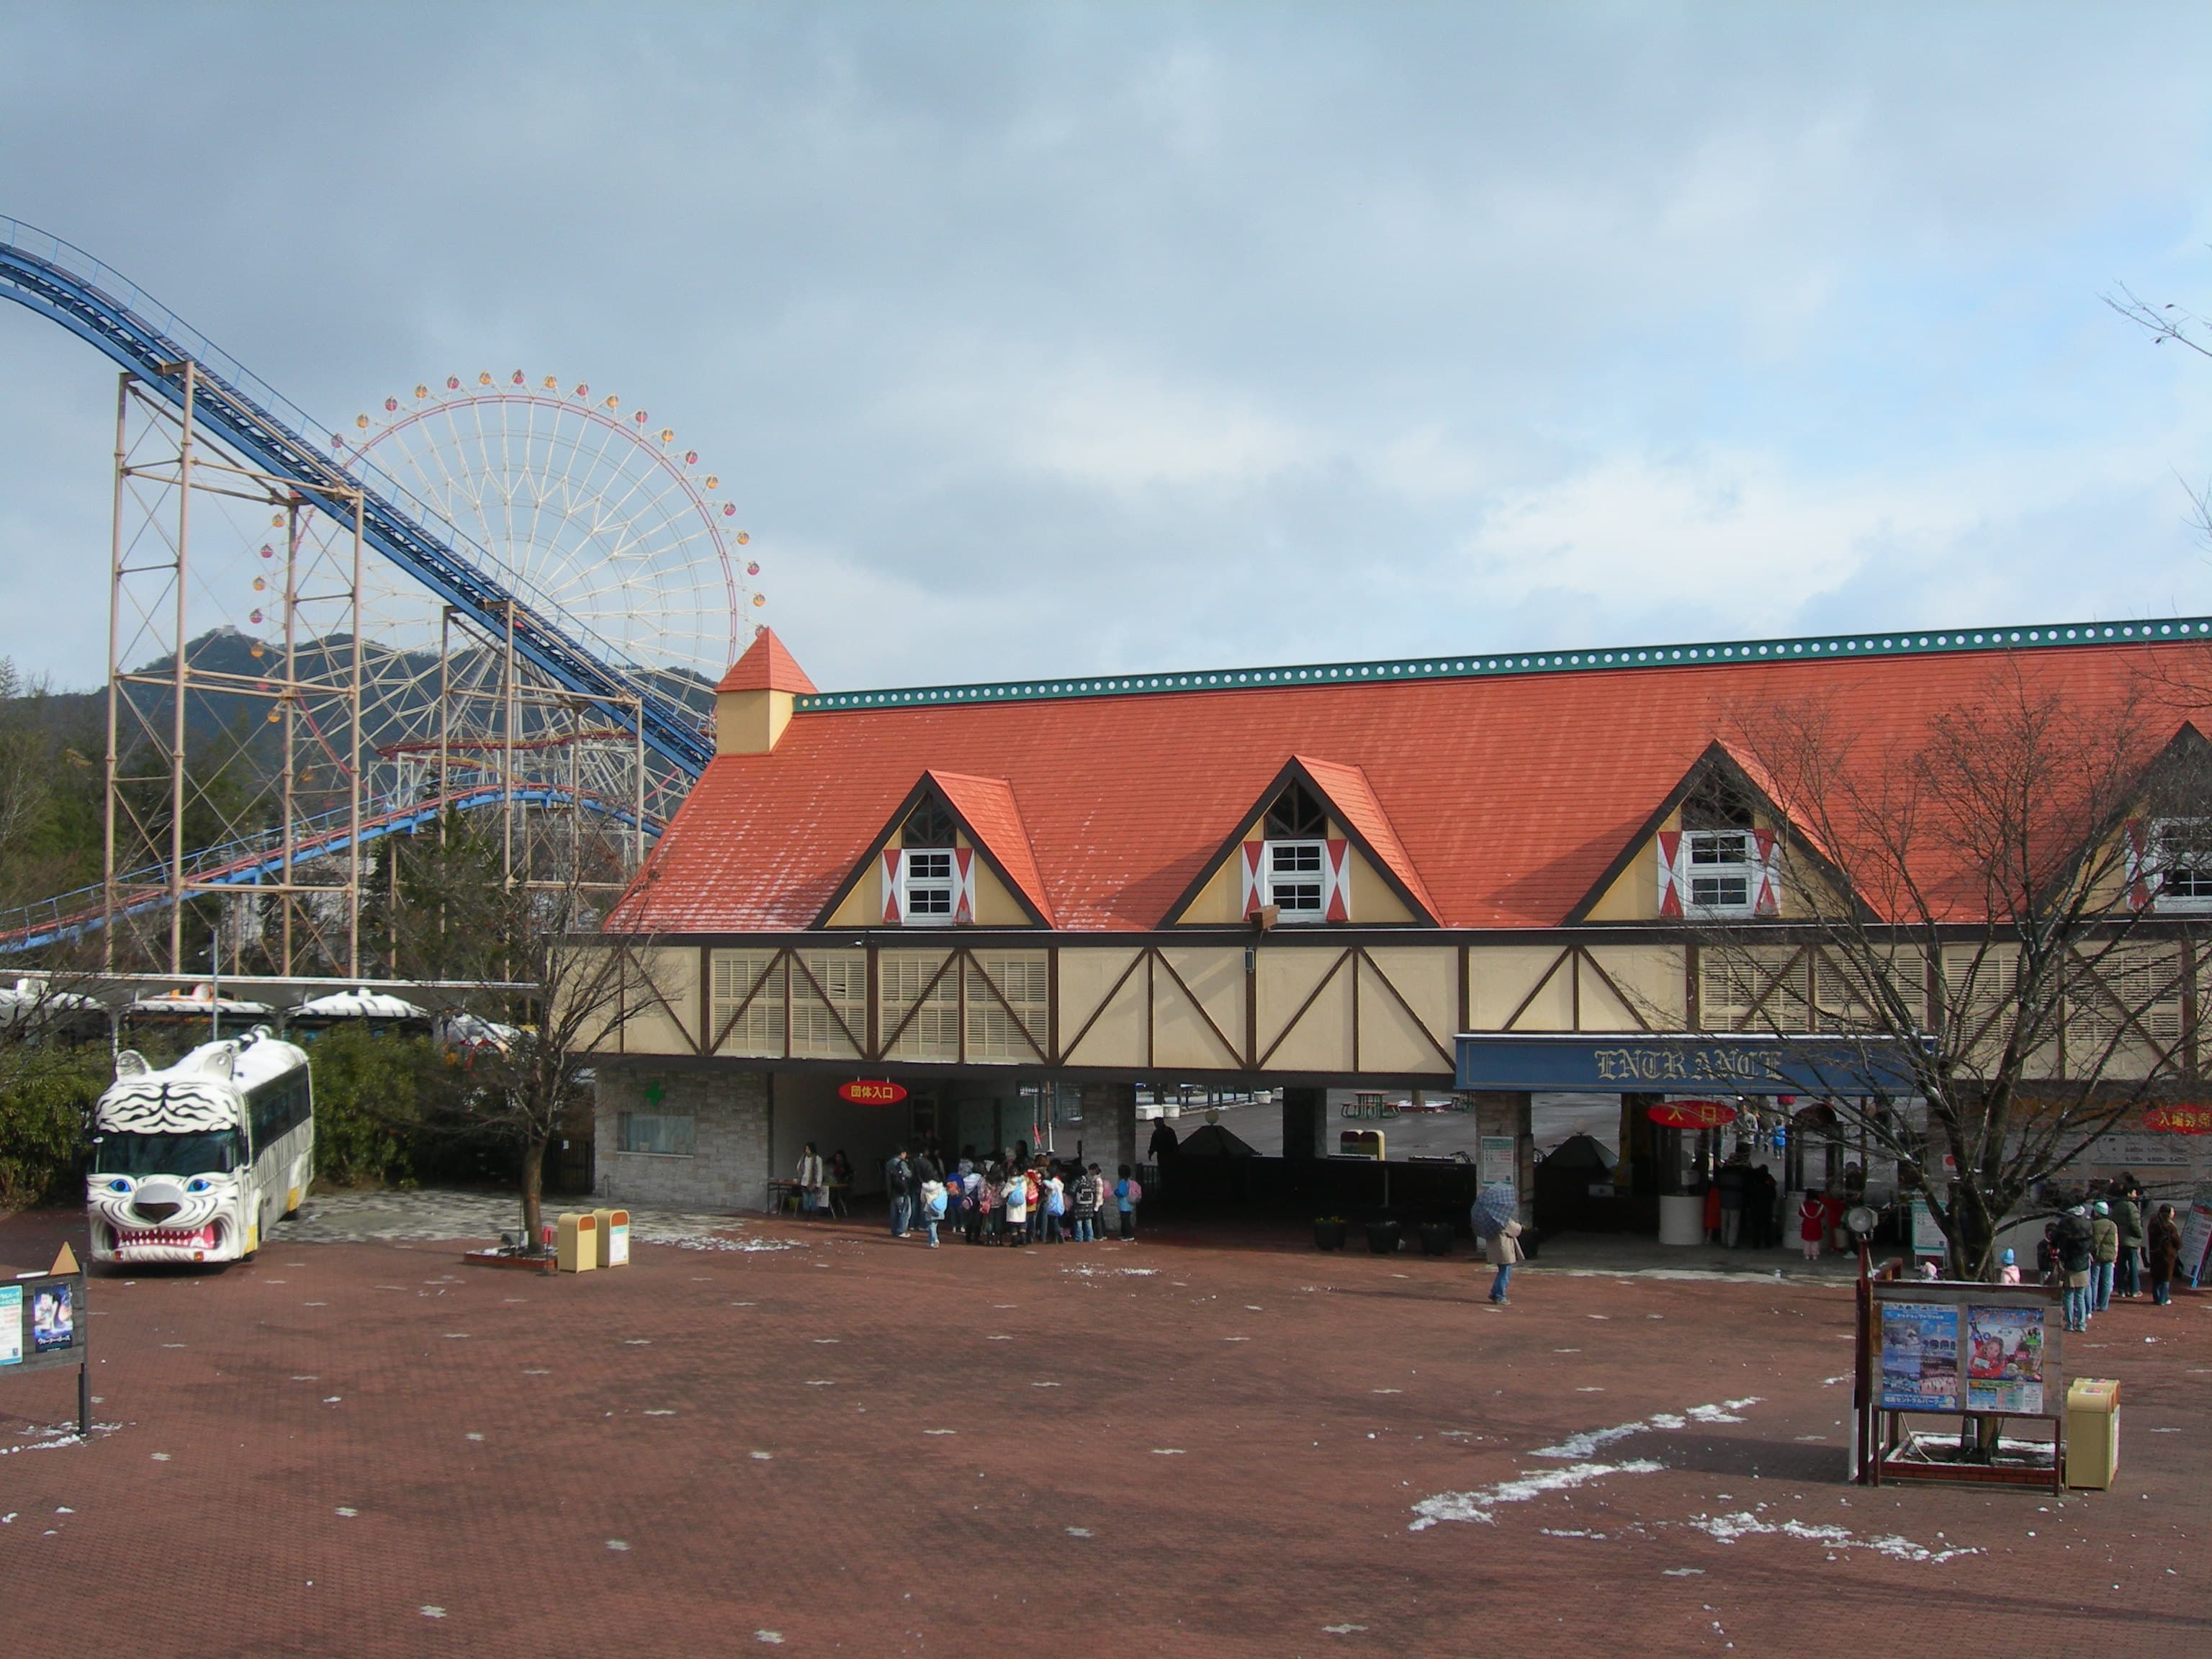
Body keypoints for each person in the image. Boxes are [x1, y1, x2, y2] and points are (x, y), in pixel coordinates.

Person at [2055, 1205, 2095, 1331]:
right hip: (2083, 1267)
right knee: (2080, 1296)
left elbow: (2062, 1251)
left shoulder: (2067, 1239)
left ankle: (2070, 1323)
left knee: (2068, 1296)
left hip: (2070, 1267)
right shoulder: (2088, 1239)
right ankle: (2082, 1323)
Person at [2111, 1184, 2144, 1299]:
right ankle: (2135, 1289)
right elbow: (2135, 1224)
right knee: (2133, 1266)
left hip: (2120, 1239)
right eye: (2134, 1192)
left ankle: (2121, 1289)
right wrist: (2140, 1235)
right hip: (2131, 1241)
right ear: (2129, 1194)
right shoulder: (2131, 1207)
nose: (2136, 1195)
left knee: (2121, 1266)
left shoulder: (2117, 1206)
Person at [2147, 1202, 2184, 1306]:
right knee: (2165, 1278)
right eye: (2172, 1211)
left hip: (2155, 1253)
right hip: (2167, 1254)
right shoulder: (2170, 1226)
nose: (2174, 1213)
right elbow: (2177, 1242)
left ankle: (2157, 1298)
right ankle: (2163, 1299)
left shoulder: (2153, 1224)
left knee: (2156, 1277)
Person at [1485, 1216, 1524, 1305]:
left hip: (1496, 1249)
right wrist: (1519, 1225)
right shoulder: (1503, 1219)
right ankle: (1500, 1295)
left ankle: (1495, 1292)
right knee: (1505, 1273)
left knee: (1503, 1271)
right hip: (1504, 1248)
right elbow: (1515, 1230)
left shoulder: (1488, 1221)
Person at [2089, 1200, 2120, 1313]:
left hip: (2097, 1256)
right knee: (2107, 1281)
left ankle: (2092, 1304)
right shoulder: (2113, 1225)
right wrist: (2115, 1255)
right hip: (2110, 1255)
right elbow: (2116, 1242)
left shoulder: (2094, 1225)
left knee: (2094, 1281)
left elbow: (2094, 1242)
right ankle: (2104, 1305)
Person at [1716, 1156, 1749, 1249]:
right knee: (1733, 1224)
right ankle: (1731, 1243)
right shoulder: (1740, 1175)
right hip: (1736, 1202)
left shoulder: (1722, 1175)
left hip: (1724, 1201)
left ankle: (1724, 1241)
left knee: (1724, 1222)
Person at [886, 1146, 916, 1238]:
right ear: (902, 1153)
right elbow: (908, 1174)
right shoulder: (901, 1163)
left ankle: (894, 1230)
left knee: (894, 1211)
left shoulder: (889, 1163)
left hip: (892, 1190)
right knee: (906, 1211)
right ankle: (901, 1231)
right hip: (901, 1190)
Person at [1002, 1159, 1029, 1245]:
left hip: (1012, 1205)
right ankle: (1023, 1238)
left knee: (1013, 1223)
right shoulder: (1023, 1182)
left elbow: (1003, 1195)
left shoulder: (1009, 1183)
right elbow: (1025, 1192)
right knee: (1022, 1222)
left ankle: (1015, 1241)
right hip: (1022, 1204)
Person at [1073, 1164, 1102, 1242]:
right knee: (1088, 1221)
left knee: (1079, 1222)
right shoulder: (1089, 1181)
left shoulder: (1077, 1181)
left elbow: (1072, 1191)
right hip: (1088, 1206)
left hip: (1079, 1206)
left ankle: (1079, 1238)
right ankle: (1090, 1237)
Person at [796, 1142, 826, 1215]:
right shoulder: (803, 1158)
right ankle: (806, 1214)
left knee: (813, 1199)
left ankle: (813, 1214)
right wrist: (801, 1174)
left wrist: (818, 1183)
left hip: (814, 1183)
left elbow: (819, 1171)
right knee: (805, 1199)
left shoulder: (818, 1159)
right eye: (806, 1149)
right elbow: (798, 1167)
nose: (806, 1151)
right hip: (804, 1181)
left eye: (808, 1149)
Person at [1114, 1163, 1141, 1241]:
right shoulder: (1130, 1182)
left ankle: (1128, 1235)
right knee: (1126, 1220)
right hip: (1130, 1204)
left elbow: (1122, 1193)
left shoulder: (1123, 1182)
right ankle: (1124, 1234)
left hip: (1124, 1204)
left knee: (1125, 1221)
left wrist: (1116, 1192)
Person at [919, 1175, 947, 1248]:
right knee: (934, 1225)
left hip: (929, 1207)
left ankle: (935, 1240)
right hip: (938, 1208)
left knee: (931, 1226)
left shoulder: (925, 1188)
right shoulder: (940, 1187)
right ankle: (930, 1241)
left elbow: (922, 1199)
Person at [1797, 1191, 1825, 1262]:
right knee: (1815, 1241)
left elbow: (1801, 1214)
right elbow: (1822, 1215)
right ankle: (1815, 1255)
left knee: (1807, 1241)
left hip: (1806, 1224)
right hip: (1816, 1224)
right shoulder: (1819, 1206)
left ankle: (1807, 1255)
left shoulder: (1804, 1205)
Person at [827, 1149, 854, 1219]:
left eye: (839, 1157)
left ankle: (838, 1209)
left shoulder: (846, 1166)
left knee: (837, 1193)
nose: (837, 1158)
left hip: (844, 1186)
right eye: (836, 1157)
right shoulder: (835, 1165)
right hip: (835, 1184)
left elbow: (847, 1176)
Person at [1042, 1166, 1066, 1243]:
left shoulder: (1054, 1182)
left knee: (1054, 1221)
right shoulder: (1059, 1182)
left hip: (1054, 1204)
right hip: (1059, 1203)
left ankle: (1058, 1236)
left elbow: (1051, 1187)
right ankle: (1057, 1237)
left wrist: (1044, 1181)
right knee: (1055, 1220)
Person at [1702, 1178, 1723, 1246]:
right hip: (1717, 1206)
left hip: (1711, 1207)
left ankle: (1709, 1237)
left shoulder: (1711, 1192)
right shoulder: (1718, 1193)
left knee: (1711, 1222)